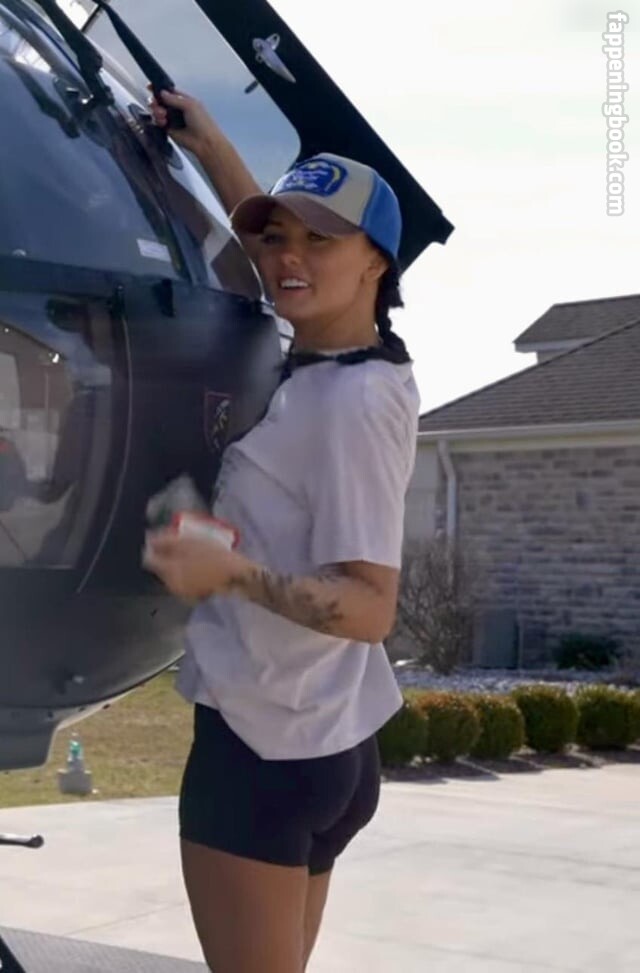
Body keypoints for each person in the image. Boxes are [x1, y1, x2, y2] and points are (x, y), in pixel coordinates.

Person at [143, 89, 420, 973]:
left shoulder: (350, 403)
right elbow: (276, 258)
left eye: (322, 240)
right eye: (279, 237)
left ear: (377, 261)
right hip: (322, 740)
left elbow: (371, 605)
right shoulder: (349, 360)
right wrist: (214, 147)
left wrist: (227, 572)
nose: (290, 257)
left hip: (264, 756)